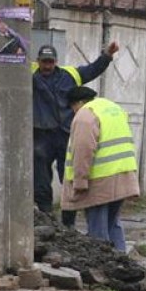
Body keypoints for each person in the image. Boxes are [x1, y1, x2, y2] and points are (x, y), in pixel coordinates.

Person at [32, 41, 120, 224]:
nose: (47, 66)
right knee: (41, 181)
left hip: (66, 135)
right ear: (38, 61)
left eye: (50, 62)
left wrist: (107, 56)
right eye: (43, 62)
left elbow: (92, 70)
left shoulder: (70, 75)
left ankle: (68, 223)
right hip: (41, 135)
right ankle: (46, 218)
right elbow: (10, 63)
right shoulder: (30, 73)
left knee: (69, 179)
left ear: (56, 61)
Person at [61, 86, 140, 252]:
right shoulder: (112, 108)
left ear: (78, 103)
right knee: (113, 224)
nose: (73, 112)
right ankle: (123, 264)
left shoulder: (85, 115)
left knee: (98, 228)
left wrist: (79, 181)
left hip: (100, 179)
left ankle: (103, 266)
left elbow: (83, 150)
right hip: (123, 174)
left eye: (72, 108)